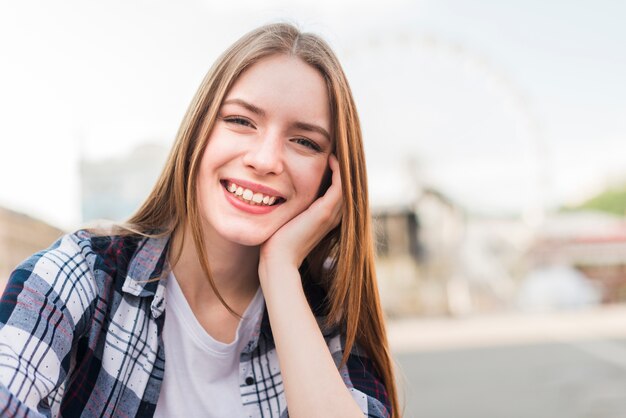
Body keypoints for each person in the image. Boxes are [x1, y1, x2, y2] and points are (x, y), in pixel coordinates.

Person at [0, 23, 399, 417]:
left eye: (305, 142)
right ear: (198, 132)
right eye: (241, 121)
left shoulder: (328, 324)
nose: (264, 159)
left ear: (331, 180)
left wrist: (279, 270)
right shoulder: (79, 276)